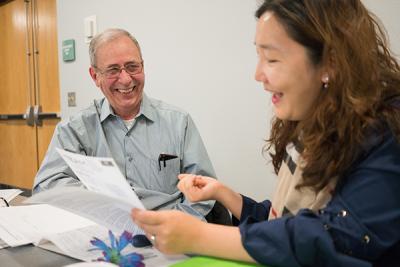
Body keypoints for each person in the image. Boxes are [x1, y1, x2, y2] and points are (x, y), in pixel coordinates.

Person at [132, 0, 400, 266]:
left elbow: (333, 239)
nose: (258, 74)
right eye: (258, 57)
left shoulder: (389, 133)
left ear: (330, 62)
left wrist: (201, 236)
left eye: (271, 59)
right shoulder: (310, 124)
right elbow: (284, 225)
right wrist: (224, 194)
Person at [33, 28, 219, 222]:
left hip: (170, 231)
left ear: (143, 67)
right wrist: (100, 196)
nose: (126, 79)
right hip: (103, 231)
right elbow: (47, 185)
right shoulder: (74, 129)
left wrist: (173, 226)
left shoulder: (179, 122)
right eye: (113, 70)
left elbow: (204, 190)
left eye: (132, 67)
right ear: (95, 76)